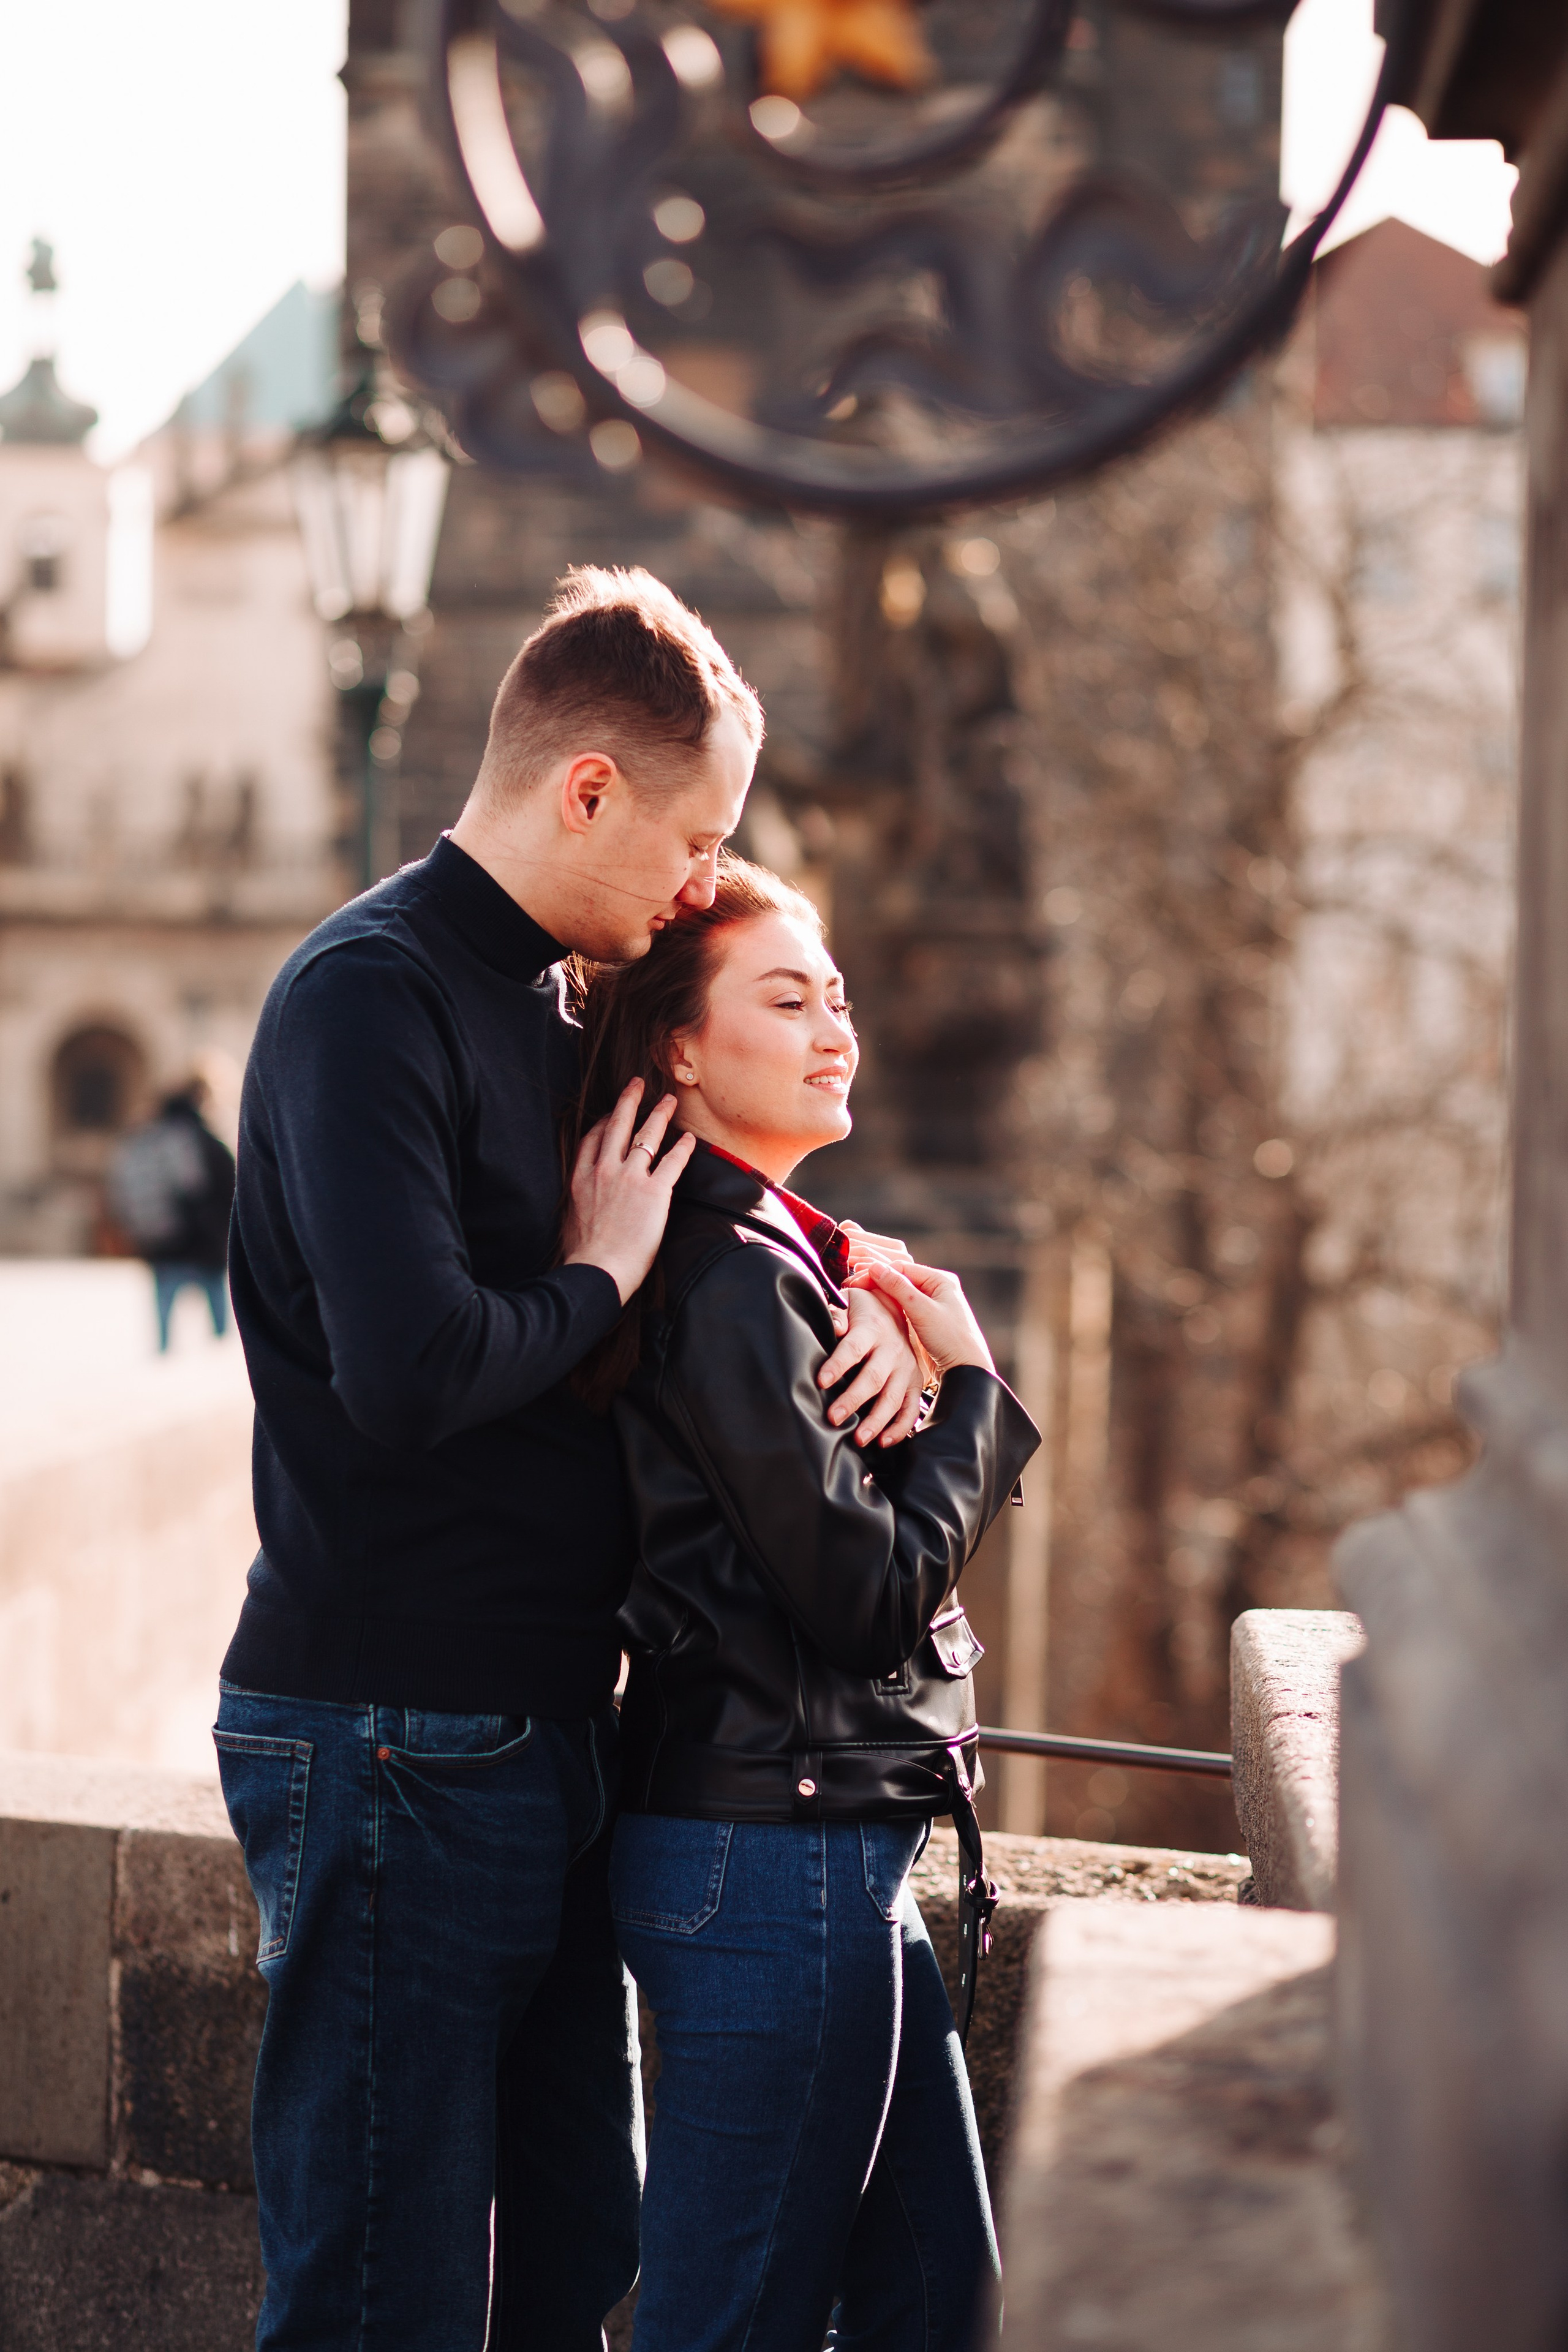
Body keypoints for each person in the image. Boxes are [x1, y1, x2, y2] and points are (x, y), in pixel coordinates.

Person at [213, 568, 926, 2352]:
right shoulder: (364, 996)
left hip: (544, 1727)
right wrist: (592, 1266)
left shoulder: (558, 1005)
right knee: (380, 2289)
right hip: (388, 1725)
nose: (702, 886)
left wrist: (876, 1307)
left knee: (569, 2258)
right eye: (695, 842)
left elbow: (713, 1243)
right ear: (586, 787)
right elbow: (413, 1369)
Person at [569, 856, 1042, 2352]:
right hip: (767, 1856)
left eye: (834, 992)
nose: (833, 1023)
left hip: (822, 1843)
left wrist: (906, 1343)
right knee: (732, 2320)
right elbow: (864, 1596)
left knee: (933, 2300)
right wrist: (968, 1387)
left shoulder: (779, 1254)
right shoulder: (725, 1277)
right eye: (785, 997)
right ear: (680, 1051)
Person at [107, 1077, 236, 1351]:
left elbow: (120, 1187)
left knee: (164, 1305)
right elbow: (229, 1186)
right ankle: (218, 1354)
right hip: (205, 1239)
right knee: (217, 1311)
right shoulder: (202, 1137)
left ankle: (163, 1352)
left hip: (160, 1237)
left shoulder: (145, 1137)